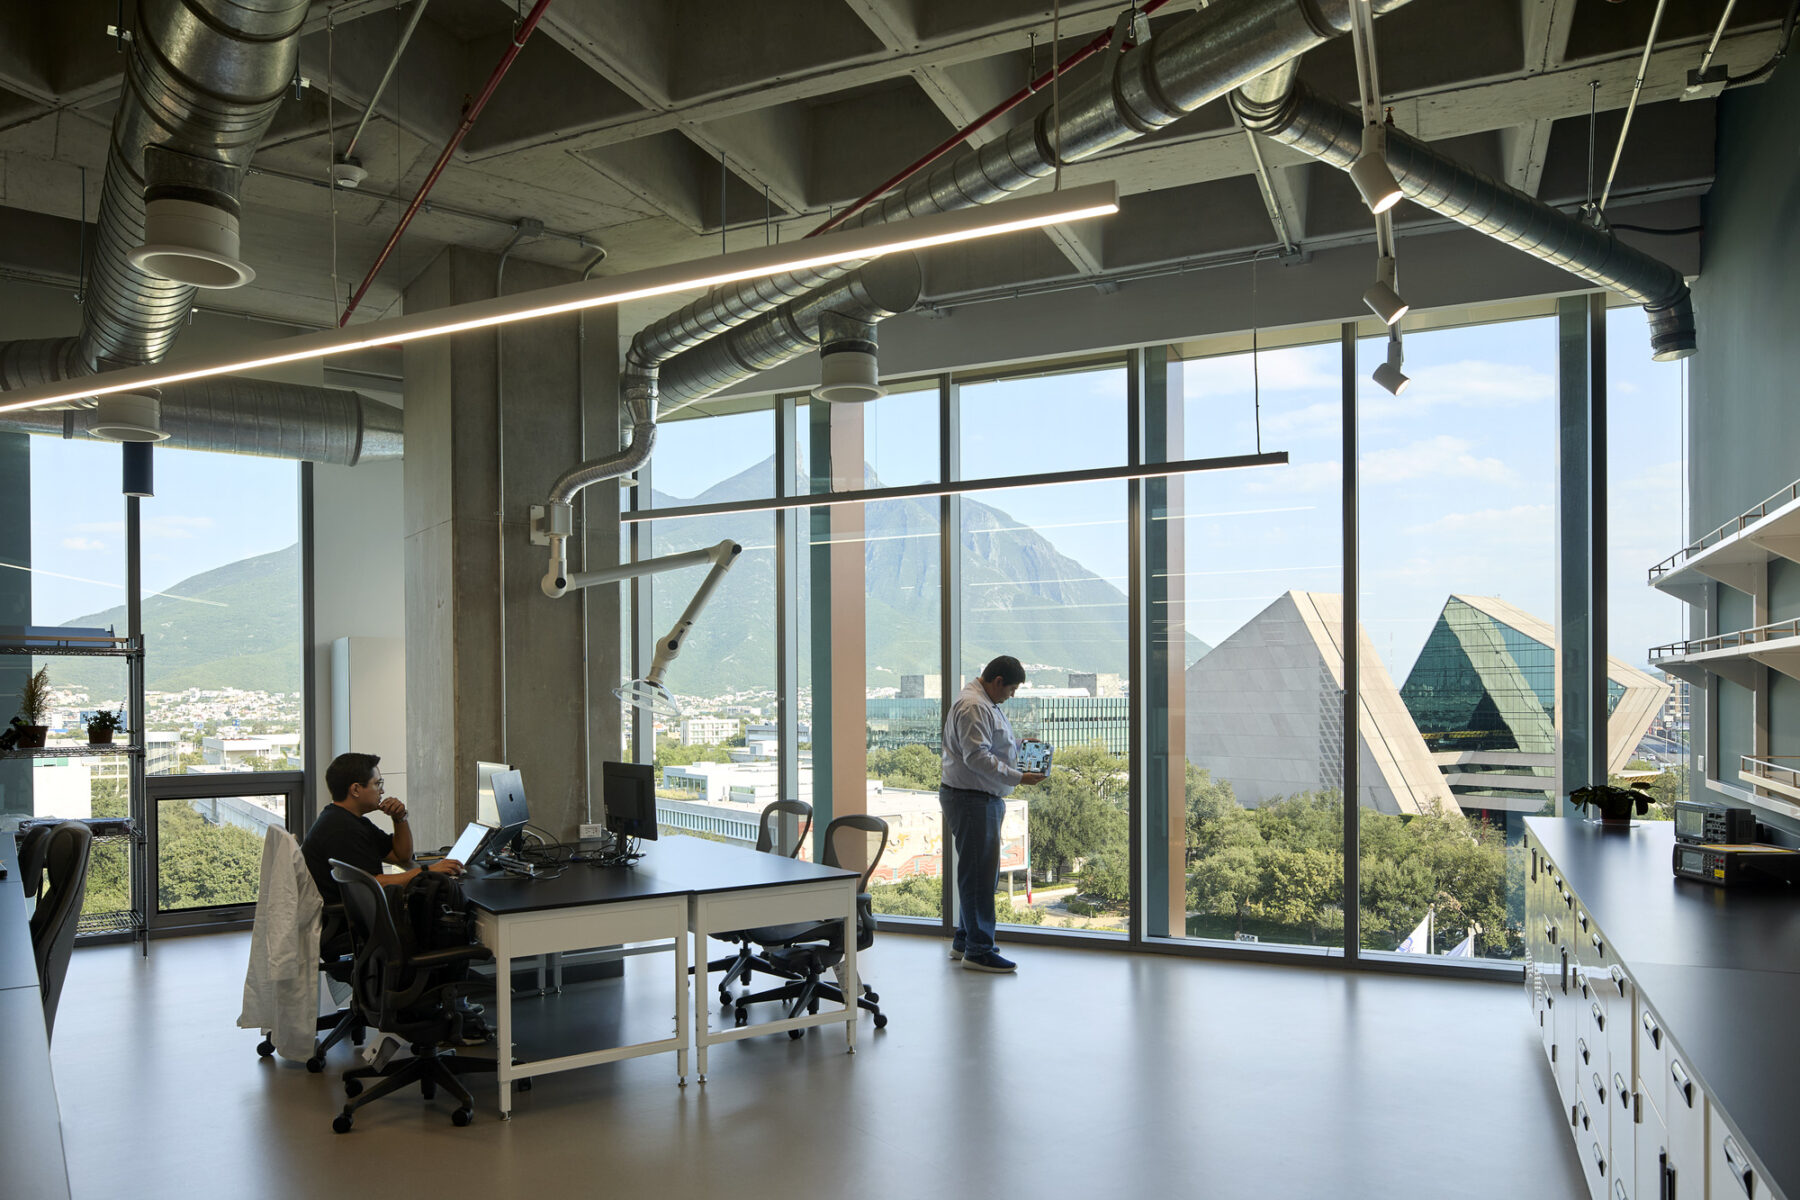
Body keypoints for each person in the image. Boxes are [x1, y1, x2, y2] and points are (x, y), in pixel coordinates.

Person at [939, 656, 1046, 974]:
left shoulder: (980, 700)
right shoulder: (975, 705)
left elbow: (988, 742)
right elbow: (977, 757)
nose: (1011, 695)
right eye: (1011, 689)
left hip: (974, 799)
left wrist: (1018, 744)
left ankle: (964, 940)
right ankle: (980, 950)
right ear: (998, 681)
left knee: (974, 874)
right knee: (980, 879)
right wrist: (1018, 776)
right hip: (973, 800)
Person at [301, 752, 463, 907]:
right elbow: (372, 885)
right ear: (356, 789)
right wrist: (428, 870)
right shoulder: (340, 829)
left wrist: (399, 818)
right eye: (377, 784)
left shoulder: (350, 820)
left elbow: (402, 856)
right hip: (352, 925)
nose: (382, 791)